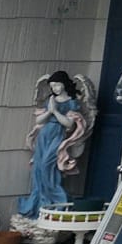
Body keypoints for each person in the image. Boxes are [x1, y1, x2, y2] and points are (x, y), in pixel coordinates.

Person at [16, 71, 88, 216]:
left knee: (47, 167)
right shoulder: (50, 99)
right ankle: (39, 205)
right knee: (38, 168)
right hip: (44, 136)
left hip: (57, 136)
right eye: (52, 86)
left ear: (64, 84)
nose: (55, 88)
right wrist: (49, 111)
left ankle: (56, 203)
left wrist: (55, 111)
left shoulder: (71, 102)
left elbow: (68, 123)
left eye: (57, 85)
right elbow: (39, 121)